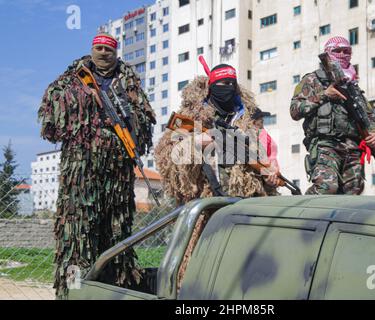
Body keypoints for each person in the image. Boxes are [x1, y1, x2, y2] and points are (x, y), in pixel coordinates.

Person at [38, 33, 156, 298]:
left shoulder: (128, 82)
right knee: (77, 239)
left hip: (117, 178)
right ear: (92, 49)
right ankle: (73, 292)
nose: (103, 53)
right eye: (99, 48)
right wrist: (83, 98)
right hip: (80, 177)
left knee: (116, 238)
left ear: (116, 52)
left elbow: (146, 123)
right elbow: (49, 120)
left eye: (109, 49)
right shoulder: (71, 80)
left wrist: (126, 115)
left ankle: (112, 291)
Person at [155, 61, 278, 204]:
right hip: (204, 205)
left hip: (243, 207)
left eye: (233, 84)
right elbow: (167, 161)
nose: (229, 88)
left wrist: (270, 178)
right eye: (224, 83)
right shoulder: (192, 117)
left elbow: (262, 162)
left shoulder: (246, 120)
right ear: (211, 87)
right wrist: (196, 143)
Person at [290, 36, 375, 195]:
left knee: (353, 193)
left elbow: (369, 116)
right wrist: (324, 95)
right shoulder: (312, 80)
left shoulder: (353, 86)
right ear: (328, 53)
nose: (342, 54)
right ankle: (303, 211)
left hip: (353, 147)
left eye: (346, 51)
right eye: (337, 51)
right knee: (326, 188)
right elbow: (295, 111)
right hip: (326, 144)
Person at [251, 108, 280, 174]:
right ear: (253, 122)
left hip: (269, 172)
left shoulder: (262, 135)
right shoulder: (260, 135)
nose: (263, 121)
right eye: (261, 120)